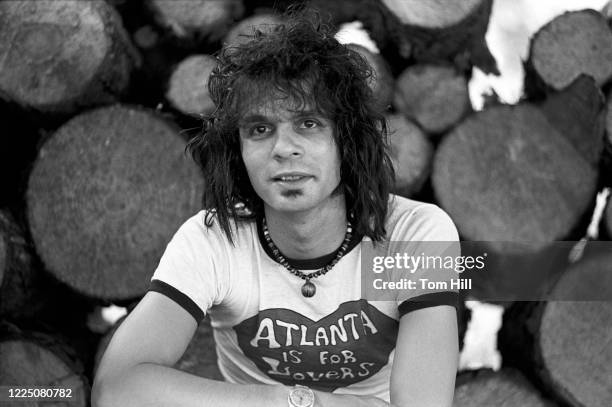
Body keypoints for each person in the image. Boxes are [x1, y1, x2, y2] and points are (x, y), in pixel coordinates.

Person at [92, 10, 459, 407]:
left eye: (309, 123)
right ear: (239, 152)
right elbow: (116, 389)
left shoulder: (415, 233)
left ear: (347, 140)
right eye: (260, 129)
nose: (284, 148)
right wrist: (295, 402)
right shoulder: (214, 240)